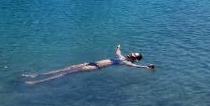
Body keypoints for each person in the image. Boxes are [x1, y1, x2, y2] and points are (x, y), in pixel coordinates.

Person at [23, 44, 154, 85]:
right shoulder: (122, 57)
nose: (131, 54)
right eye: (133, 52)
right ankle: (37, 75)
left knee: (65, 73)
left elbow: (136, 66)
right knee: (66, 68)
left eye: (134, 55)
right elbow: (118, 51)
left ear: (134, 59)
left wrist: (146, 67)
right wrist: (118, 47)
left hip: (94, 67)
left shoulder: (127, 62)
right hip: (90, 62)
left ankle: (37, 82)